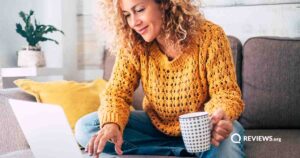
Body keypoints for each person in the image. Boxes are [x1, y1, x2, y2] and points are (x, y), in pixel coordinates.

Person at [75, 0, 245, 157]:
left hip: (202, 129)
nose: (134, 22)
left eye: (140, 10)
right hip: (156, 127)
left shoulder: (211, 36)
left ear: (164, 4)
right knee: (87, 127)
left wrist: (216, 118)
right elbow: (116, 93)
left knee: (231, 135)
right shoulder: (133, 43)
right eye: (127, 15)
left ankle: (191, 148)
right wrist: (111, 124)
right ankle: (185, 151)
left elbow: (226, 93)